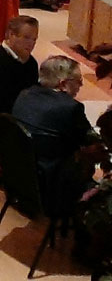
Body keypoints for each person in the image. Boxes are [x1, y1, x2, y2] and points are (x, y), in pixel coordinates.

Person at [12, 56, 97, 214]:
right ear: (63, 84)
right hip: (49, 181)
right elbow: (91, 141)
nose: (81, 85)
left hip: (16, 170)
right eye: (78, 81)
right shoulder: (71, 108)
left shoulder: (24, 94)